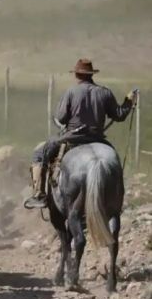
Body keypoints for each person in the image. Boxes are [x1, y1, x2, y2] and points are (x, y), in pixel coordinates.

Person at [23, 59, 136, 209]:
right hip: (97, 138)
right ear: (91, 75)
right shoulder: (105, 92)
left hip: (72, 138)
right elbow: (119, 116)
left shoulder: (71, 92)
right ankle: (116, 197)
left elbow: (61, 118)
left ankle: (39, 194)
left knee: (39, 153)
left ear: (77, 74)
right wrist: (128, 101)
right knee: (113, 160)